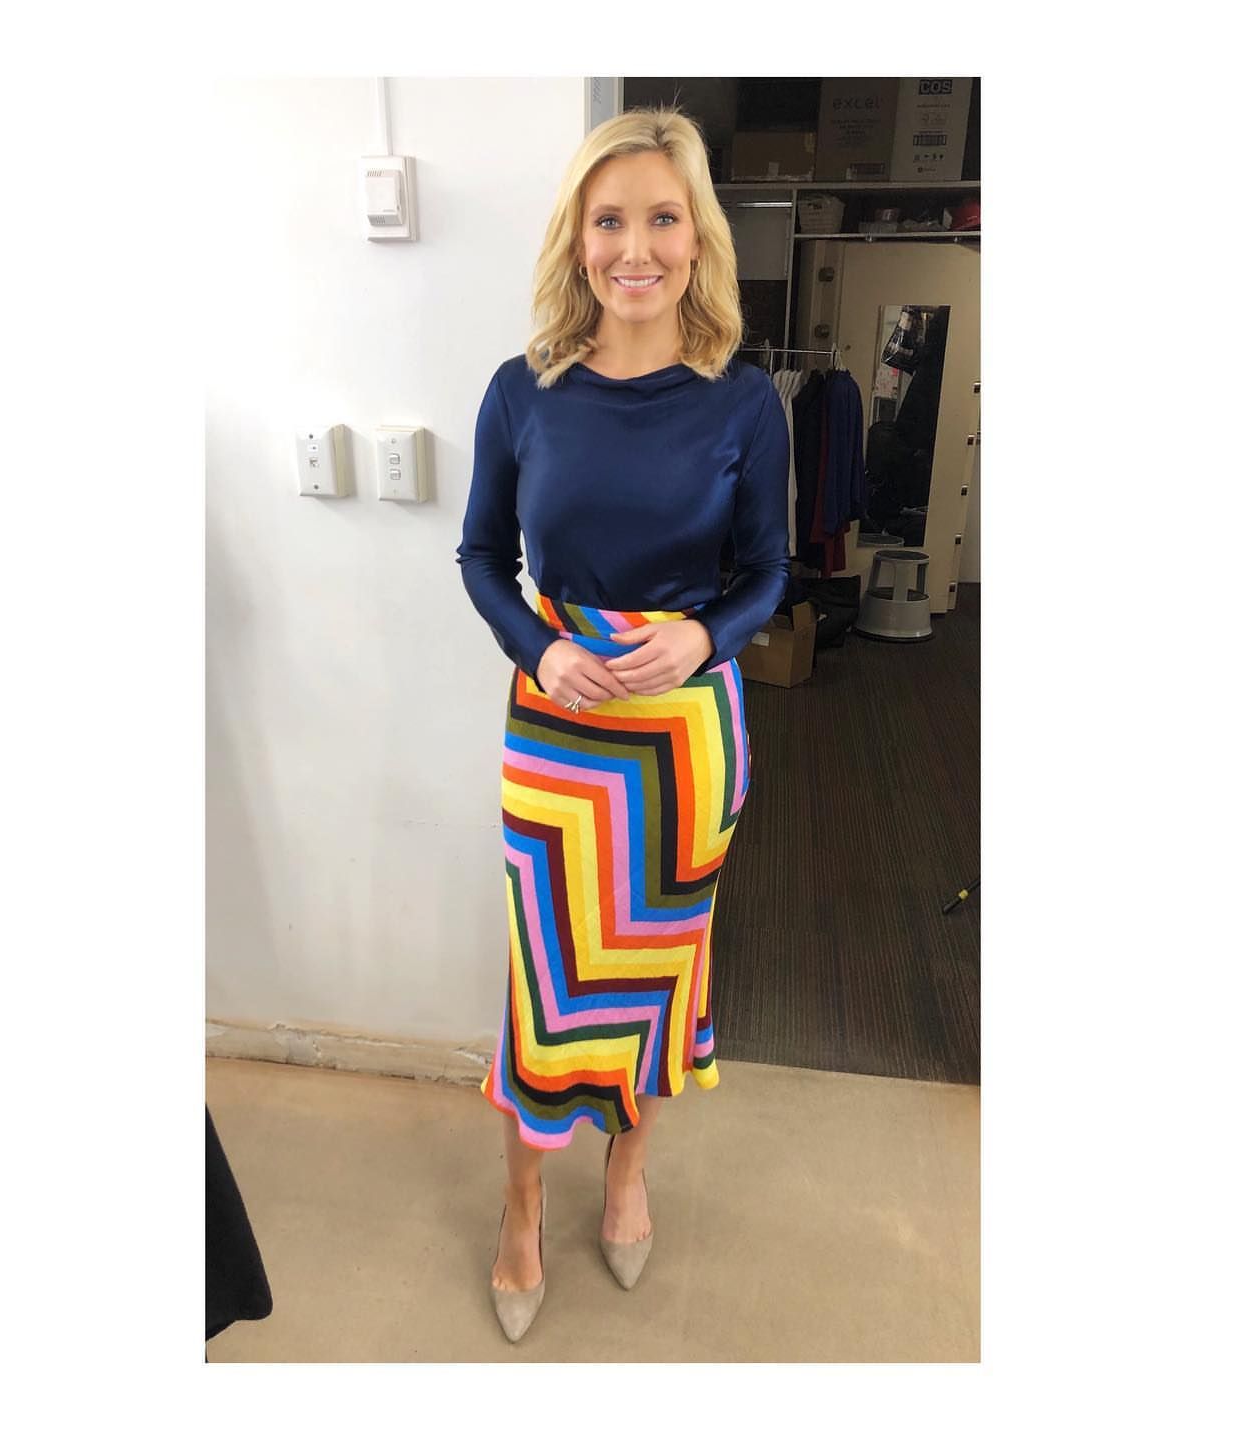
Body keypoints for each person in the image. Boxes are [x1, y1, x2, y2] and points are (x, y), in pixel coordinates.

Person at [454, 106, 790, 1343]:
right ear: (578, 238)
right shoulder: (522, 391)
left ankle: (630, 1173)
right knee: (544, 980)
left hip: (684, 739)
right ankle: (522, 1205)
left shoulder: (743, 403)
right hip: (558, 733)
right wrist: (542, 646)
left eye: (662, 219)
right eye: (610, 220)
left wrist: (705, 638)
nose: (635, 248)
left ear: (698, 240)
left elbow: (768, 572)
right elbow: (482, 555)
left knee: (654, 972)